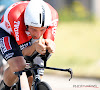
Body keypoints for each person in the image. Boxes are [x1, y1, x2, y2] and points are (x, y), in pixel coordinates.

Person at [0, 0, 58, 89]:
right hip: (7, 32)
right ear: (26, 24)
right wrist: (34, 46)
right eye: (34, 29)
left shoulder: (53, 15)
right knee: (19, 65)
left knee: (37, 66)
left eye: (42, 30)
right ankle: (5, 87)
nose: (38, 35)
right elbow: (24, 53)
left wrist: (50, 46)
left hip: (26, 31)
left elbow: (48, 43)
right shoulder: (16, 16)